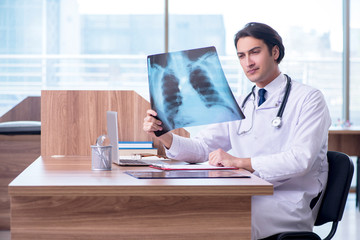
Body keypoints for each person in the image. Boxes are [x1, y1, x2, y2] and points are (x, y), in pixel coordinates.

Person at [143, 22, 331, 240]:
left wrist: (239, 162)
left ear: (275, 52)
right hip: (247, 193)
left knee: (215, 222)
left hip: (288, 200)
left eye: (255, 52)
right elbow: (202, 148)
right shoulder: (242, 103)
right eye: (241, 56)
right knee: (186, 212)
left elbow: (301, 159)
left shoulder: (309, 98)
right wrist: (163, 134)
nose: (248, 62)